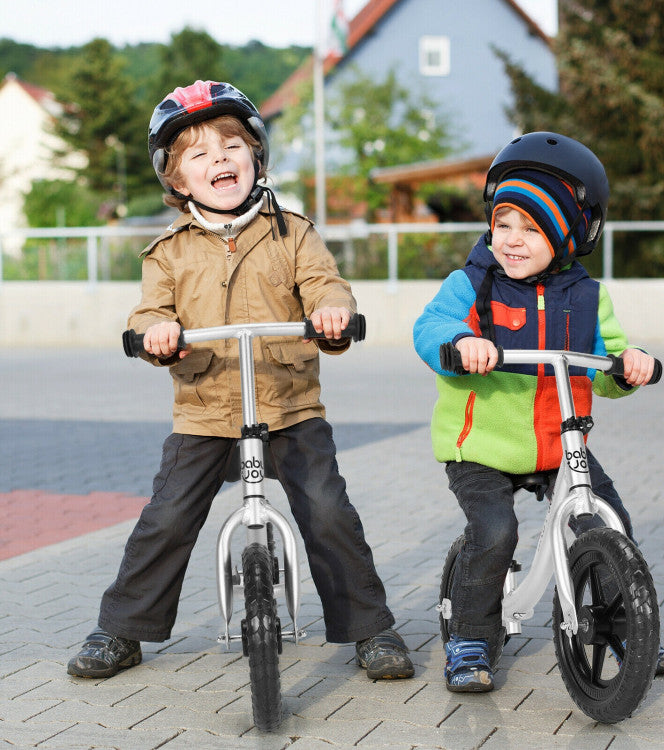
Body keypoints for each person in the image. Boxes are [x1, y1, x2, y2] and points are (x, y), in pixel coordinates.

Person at [67, 80, 413, 682]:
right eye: (197, 155)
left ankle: (369, 629)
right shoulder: (167, 253)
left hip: (289, 405)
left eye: (230, 145)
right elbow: (151, 311)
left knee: (329, 511)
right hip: (205, 409)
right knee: (168, 516)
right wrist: (155, 332)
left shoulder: (293, 231)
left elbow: (326, 285)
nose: (218, 160)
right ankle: (122, 629)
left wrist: (331, 313)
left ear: (256, 156)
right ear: (177, 182)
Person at [413, 131, 664, 692]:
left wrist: (626, 366)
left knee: (609, 521)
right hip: (482, 444)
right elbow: (429, 327)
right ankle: (470, 640)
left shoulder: (588, 298)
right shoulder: (472, 284)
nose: (512, 239)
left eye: (531, 228)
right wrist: (461, 344)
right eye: (503, 223)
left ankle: (625, 631)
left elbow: (603, 367)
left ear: (563, 237)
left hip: (562, 444)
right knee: (494, 531)